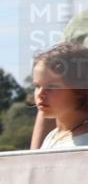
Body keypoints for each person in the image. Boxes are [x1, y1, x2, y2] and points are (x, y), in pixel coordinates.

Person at [31, 9, 88, 148]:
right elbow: (56, 74)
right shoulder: (80, 24)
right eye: (37, 86)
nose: (40, 93)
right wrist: (32, 160)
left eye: (51, 87)